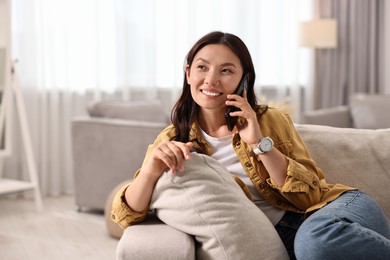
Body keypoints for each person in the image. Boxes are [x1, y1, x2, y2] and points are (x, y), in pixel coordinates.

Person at [111, 31, 390, 259]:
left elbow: (310, 195)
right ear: (188, 74)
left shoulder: (269, 119)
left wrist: (258, 142)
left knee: (315, 240)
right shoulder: (174, 138)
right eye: (202, 67)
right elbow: (125, 216)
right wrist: (150, 170)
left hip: (334, 210)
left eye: (226, 70)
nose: (211, 79)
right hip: (289, 240)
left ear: (244, 79)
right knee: (310, 248)